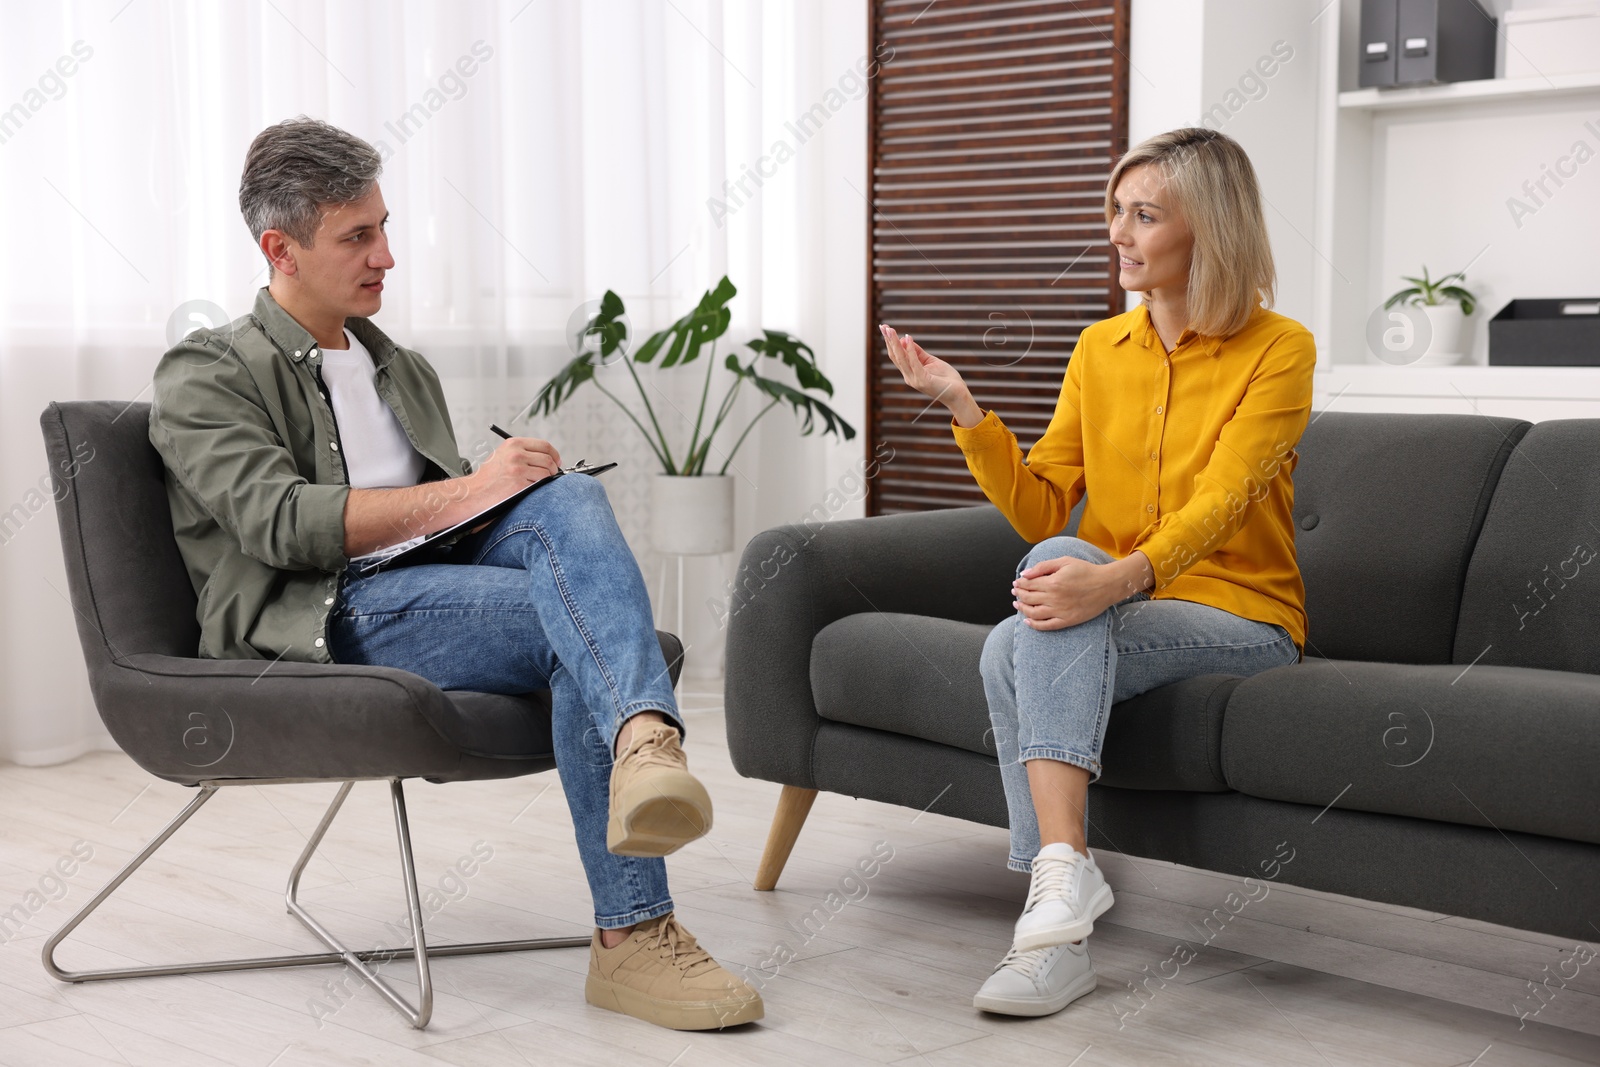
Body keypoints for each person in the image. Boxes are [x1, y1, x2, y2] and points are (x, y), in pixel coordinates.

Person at [147, 116, 761, 1032]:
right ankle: (635, 933)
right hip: (325, 609)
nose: (386, 255)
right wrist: (474, 488)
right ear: (281, 248)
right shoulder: (206, 370)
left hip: (430, 587)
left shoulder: (400, 367)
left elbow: (448, 513)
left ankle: (642, 748)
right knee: (576, 620)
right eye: (358, 236)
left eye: (384, 226)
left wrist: (507, 488)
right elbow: (280, 523)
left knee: (571, 502)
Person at [879, 126, 1315, 1018]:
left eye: (1144, 214)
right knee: (1039, 586)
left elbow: (1225, 503)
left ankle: (1055, 920)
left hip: (1244, 620)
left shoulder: (1280, 349)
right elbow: (1046, 508)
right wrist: (963, 406)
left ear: (1211, 230)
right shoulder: (1098, 349)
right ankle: (1059, 903)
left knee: (1016, 638)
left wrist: (1111, 581)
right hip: (1117, 608)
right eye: (1115, 209)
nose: (1117, 230)